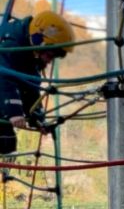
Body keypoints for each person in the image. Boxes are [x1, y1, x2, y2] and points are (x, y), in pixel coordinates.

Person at [0, 10, 76, 155]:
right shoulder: (12, 44)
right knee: (4, 136)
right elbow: (3, 77)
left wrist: (37, 118)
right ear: (37, 39)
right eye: (49, 55)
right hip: (2, 84)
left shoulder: (30, 53)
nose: (49, 60)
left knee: (7, 143)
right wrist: (14, 112)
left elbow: (30, 86)